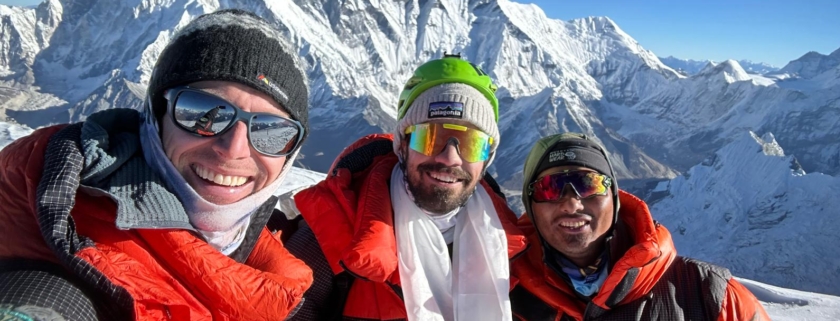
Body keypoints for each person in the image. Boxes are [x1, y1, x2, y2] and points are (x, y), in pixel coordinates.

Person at [0, 9, 313, 321]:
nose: (233, 149)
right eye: (201, 112)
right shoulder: (63, 253)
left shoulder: (268, 259)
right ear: (155, 117)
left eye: (272, 131)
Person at [286, 54, 528, 320]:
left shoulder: (514, 251)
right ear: (402, 145)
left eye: (471, 144)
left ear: (486, 159)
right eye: (430, 138)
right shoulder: (330, 235)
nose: (450, 158)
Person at [509, 133, 770, 320]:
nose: (572, 204)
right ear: (530, 206)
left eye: (588, 183)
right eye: (548, 188)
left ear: (614, 196)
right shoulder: (501, 293)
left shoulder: (710, 296)